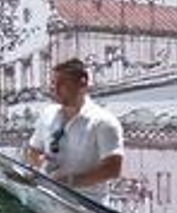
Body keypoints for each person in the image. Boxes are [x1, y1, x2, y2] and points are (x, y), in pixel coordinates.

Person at [24, 58, 124, 197]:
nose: (55, 89)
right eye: (53, 83)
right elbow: (33, 150)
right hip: (47, 201)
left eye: (62, 83)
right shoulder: (48, 114)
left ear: (82, 83)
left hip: (83, 206)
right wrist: (40, 161)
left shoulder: (104, 122)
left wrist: (71, 182)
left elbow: (112, 169)